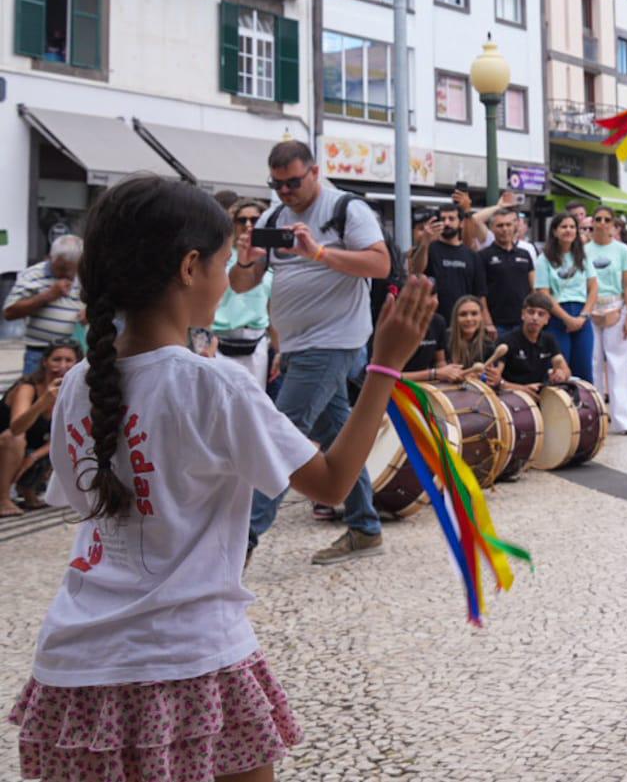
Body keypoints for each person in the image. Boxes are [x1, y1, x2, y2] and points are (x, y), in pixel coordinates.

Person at [9, 176, 432, 782]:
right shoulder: (214, 385)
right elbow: (334, 482)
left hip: (73, 667)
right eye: (225, 261)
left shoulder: (77, 383)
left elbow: (83, 503)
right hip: (186, 659)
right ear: (189, 267)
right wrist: (386, 362)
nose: (230, 273)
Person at [232, 140, 393, 565]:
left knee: (281, 435)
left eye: (293, 182)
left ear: (315, 172)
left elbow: (380, 265)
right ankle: (365, 526)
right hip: (300, 345)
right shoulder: (273, 217)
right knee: (339, 437)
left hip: (334, 340)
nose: (285, 191)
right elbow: (240, 285)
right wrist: (247, 259)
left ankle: (241, 542)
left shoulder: (346, 210)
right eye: (277, 184)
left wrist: (319, 253)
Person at [0, 342, 80, 517]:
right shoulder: (27, 387)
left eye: (69, 360)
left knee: (69, 443)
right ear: (45, 362)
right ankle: (3, 498)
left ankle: (29, 491)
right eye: (56, 360)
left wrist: (33, 457)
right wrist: (43, 402)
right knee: (14, 438)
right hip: (7, 445)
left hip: (30, 450)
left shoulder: (74, 391)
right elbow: (16, 428)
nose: (62, 366)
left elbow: (67, 434)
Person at [584, 209, 627, 434]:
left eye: (607, 220)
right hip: (590, 310)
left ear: (613, 225)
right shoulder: (583, 249)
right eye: (598, 219)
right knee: (592, 363)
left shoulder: (623, 250)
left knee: (620, 365)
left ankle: (625, 421)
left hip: (616, 308)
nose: (602, 223)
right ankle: (594, 419)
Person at [211, 200, 277, 386]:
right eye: (242, 220)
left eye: (255, 220)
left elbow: (272, 307)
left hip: (255, 340)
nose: (248, 225)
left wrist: (279, 350)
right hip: (220, 339)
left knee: (252, 402)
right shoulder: (220, 257)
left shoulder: (270, 259)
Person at [4, 236, 84, 376]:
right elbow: (9, 312)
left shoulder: (84, 276)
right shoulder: (32, 275)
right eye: (61, 268)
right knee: (32, 394)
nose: (66, 274)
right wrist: (48, 296)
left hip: (74, 354)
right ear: (50, 258)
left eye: (71, 269)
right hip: (39, 353)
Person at [535, 214, 597, 384]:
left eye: (572, 227)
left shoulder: (583, 257)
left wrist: (583, 316)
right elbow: (543, 294)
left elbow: (593, 288)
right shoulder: (543, 259)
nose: (568, 230)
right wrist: (567, 319)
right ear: (554, 231)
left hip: (582, 316)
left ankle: (586, 409)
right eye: (563, 227)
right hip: (556, 317)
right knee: (560, 372)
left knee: (584, 368)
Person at [410, 205, 486, 330]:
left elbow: (479, 293)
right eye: (443, 219)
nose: (447, 223)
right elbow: (416, 270)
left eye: (451, 219)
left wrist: (486, 322)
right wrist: (425, 243)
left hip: (464, 322)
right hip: (433, 320)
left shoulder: (472, 256)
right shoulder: (429, 249)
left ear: (461, 223)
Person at [497, 293, 572, 392]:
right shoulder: (506, 341)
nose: (535, 318)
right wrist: (523, 389)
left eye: (541, 314)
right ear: (523, 314)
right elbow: (495, 381)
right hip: (512, 395)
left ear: (547, 319)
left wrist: (561, 374)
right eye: (531, 312)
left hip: (540, 394)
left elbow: (566, 370)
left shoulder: (549, 339)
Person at [479, 208, 538, 334]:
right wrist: (488, 322)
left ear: (514, 226)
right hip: (497, 323)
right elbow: (480, 293)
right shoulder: (483, 256)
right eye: (500, 225)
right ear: (492, 229)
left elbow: (534, 289)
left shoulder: (525, 254)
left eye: (508, 225)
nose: (505, 229)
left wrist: (534, 316)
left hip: (523, 322)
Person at [444, 295, 500, 373]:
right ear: (455, 318)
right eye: (463, 314)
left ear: (481, 317)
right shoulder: (444, 340)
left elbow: (490, 378)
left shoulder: (488, 345)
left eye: (474, 314)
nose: (469, 319)